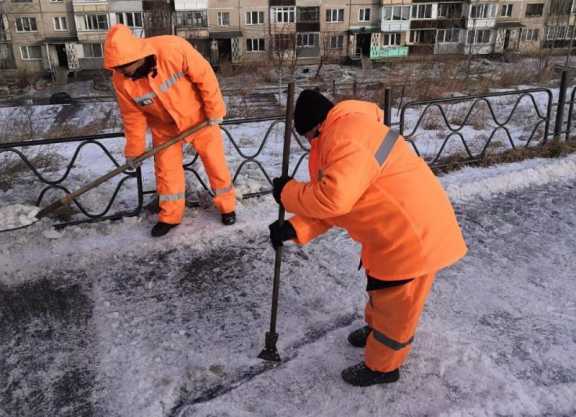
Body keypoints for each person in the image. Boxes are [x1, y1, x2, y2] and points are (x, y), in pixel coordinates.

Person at [269, 90, 467, 386]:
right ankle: (376, 332)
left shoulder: (344, 137)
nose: (309, 143)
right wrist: (296, 228)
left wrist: (287, 193)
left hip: (411, 239)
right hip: (395, 232)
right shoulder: (350, 130)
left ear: (316, 126)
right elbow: (345, 202)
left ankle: (383, 367)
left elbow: (333, 200)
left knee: (396, 307)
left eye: (309, 136)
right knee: (382, 292)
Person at [103, 24, 236, 237]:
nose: (122, 74)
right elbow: (132, 116)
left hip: (199, 118)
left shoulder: (173, 48)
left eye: (125, 69)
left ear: (138, 56)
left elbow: (205, 76)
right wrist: (134, 150)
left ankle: (227, 206)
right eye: (117, 69)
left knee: (215, 163)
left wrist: (215, 110)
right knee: (167, 172)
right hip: (164, 128)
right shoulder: (121, 80)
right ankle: (170, 216)